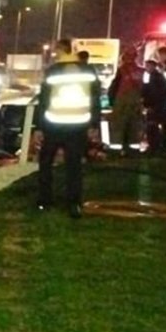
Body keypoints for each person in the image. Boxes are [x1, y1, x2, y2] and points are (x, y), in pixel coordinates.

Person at [33, 39, 102, 219]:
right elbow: (95, 99)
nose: (54, 54)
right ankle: (74, 203)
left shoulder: (52, 71)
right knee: (74, 166)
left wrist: (39, 127)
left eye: (56, 51)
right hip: (78, 125)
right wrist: (94, 124)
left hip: (54, 125)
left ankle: (44, 200)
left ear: (61, 50)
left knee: (46, 162)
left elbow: (44, 100)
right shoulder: (87, 70)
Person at [106, 49, 145, 156]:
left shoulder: (122, 70)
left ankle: (115, 150)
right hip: (136, 104)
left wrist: (110, 102)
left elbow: (113, 88)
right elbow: (146, 90)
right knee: (134, 128)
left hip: (121, 104)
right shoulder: (141, 71)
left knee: (118, 127)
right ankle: (133, 150)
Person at [143, 59, 166, 155]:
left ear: (152, 66)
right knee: (158, 126)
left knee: (152, 126)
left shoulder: (154, 77)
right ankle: (160, 146)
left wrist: (148, 104)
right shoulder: (158, 77)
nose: (146, 68)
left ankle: (154, 147)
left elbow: (153, 93)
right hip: (162, 106)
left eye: (147, 66)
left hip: (156, 106)